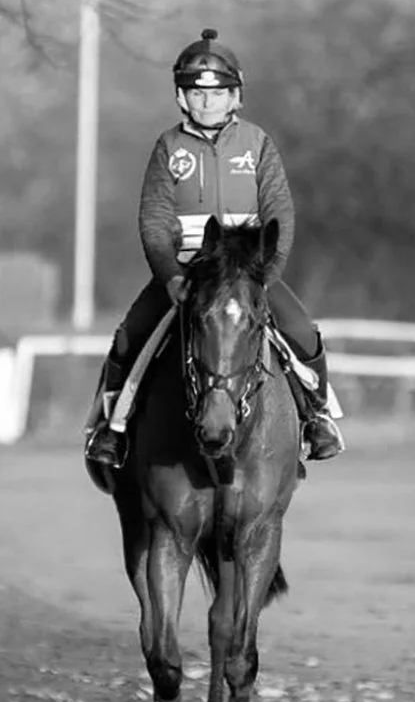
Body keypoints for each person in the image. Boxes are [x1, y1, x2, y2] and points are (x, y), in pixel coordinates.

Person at [82, 28, 346, 484]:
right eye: (197, 94)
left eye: (217, 93)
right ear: (182, 98)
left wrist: (266, 274)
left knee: (303, 331)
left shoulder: (258, 144)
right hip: (186, 273)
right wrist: (169, 276)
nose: (207, 102)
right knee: (129, 337)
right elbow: (154, 219)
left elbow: (279, 210)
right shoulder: (169, 148)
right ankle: (113, 430)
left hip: (247, 275)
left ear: (235, 96)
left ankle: (316, 419)